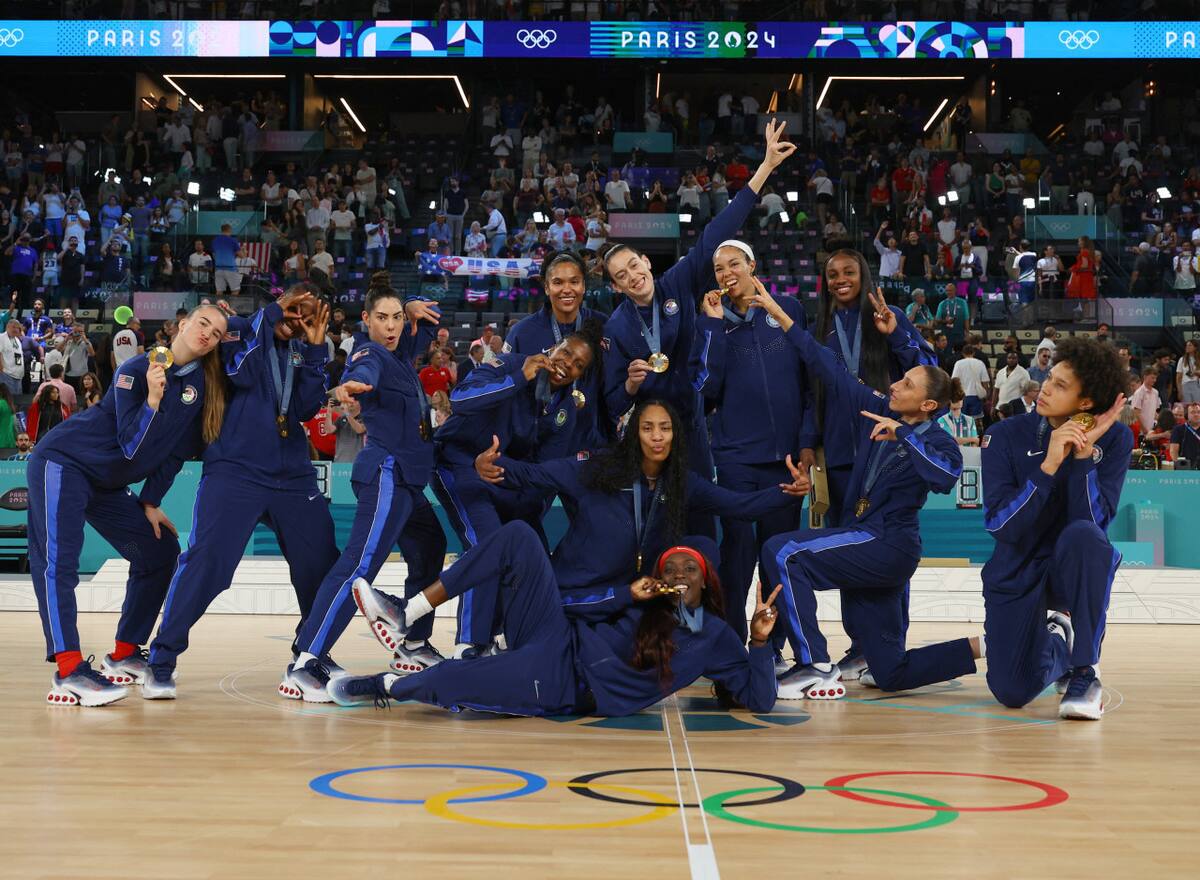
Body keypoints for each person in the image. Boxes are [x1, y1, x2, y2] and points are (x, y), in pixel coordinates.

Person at [751, 285, 979, 698]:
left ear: (928, 405)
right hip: (874, 546)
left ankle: (815, 665)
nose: (895, 385)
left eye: (907, 384)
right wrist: (778, 313)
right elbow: (828, 367)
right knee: (890, 671)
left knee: (782, 551)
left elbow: (944, 478)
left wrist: (905, 435)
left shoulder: (937, 440)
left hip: (888, 542)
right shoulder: (876, 409)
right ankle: (986, 647)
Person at [332, 524, 782, 717]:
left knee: (452, 677)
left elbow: (759, 700)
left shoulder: (716, 635)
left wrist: (760, 643)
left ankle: (384, 686)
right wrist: (626, 594)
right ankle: (408, 611)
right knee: (518, 537)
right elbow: (568, 605)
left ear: (706, 580)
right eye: (670, 567)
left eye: (690, 569)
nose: (678, 576)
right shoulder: (642, 598)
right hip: (554, 634)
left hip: (566, 683)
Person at [471, 398, 810, 644]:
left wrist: (788, 493)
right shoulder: (597, 468)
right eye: (648, 428)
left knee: (702, 547)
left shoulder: (680, 481)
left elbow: (739, 505)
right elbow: (537, 475)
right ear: (635, 434)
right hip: (577, 592)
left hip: (628, 595)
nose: (657, 437)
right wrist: (493, 465)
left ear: (676, 435)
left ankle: (687, 636)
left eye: (665, 429)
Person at [601, 119, 797, 539]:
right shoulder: (617, 327)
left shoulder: (677, 283)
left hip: (690, 427)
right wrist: (633, 386)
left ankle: (705, 603)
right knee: (652, 527)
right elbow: (613, 401)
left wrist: (762, 169)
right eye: (622, 275)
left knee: (704, 525)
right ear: (616, 286)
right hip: (651, 431)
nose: (633, 276)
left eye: (635, 265)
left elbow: (717, 232)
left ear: (646, 263)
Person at [26, 304, 227, 706]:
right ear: (182, 325)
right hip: (64, 463)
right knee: (58, 562)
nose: (208, 334)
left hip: (107, 485)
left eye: (218, 333)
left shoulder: (199, 389)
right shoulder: (135, 370)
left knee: (158, 550)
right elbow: (130, 444)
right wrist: (152, 400)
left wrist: (151, 501)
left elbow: (174, 455)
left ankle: (125, 653)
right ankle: (68, 670)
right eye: (203, 323)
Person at [144, 291, 341, 698]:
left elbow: (305, 407)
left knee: (320, 564)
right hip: (236, 471)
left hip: (293, 475)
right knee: (209, 564)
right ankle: (161, 658)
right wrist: (268, 319)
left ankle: (310, 653)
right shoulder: (236, 331)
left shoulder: (302, 350)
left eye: (305, 316)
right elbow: (242, 373)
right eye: (292, 310)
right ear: (280, 304)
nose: (296, 320)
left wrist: (318, 348)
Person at [285, 288, 447, 699]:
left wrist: (411, 302)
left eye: (396, 317)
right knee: (358, 565)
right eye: (383, 318)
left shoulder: (399, 354)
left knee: (431, 544)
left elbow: (430, 316)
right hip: (386, 473)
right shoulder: (370, 354)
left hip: (409, 479)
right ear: (366, 319)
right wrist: (348, 388)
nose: (391, 326)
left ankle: (412, 644)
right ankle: (305, 661)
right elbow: (361, 375)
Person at [980, 338, 1131, 720]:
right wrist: (1047, 466)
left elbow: (1095, 525)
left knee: (1086, 538)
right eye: (1049, 378)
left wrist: (1082, 457)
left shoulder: (1115, 439)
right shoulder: (1004, 435)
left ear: (1085, 403)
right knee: (1012, 691)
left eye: (1061, 385)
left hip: (1070, 564)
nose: (1045, 387)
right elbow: (1001, 526)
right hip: (1017, 566)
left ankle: (1085, 671)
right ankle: (1058, 646)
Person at [432, 322, 603, 656]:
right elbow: (461, 399)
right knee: (487, 543)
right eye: (566, 352)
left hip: (500, 479)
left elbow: (542, 471)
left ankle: (517, 638)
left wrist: (523, 506)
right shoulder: (510, 364)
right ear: (554, 348)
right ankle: (470, 644)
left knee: (532, 551)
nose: (568, 363)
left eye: (579, 364)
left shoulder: (565, 408)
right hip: (456, 464)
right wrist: (518, 379)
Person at [689, 244, 814, 648]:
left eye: (734, 264)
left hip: (787, 461)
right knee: (738, 554)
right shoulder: (711, 322)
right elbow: (705, 388)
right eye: (718, 268)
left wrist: (808, 444)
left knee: (776, 557)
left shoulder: (787, 309)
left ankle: (772, 645)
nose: (726, 273)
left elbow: (810, 382)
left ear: (752, 265)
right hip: (736, 458)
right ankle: (728, 643)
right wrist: (709, 327)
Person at [812, 251, 937, 531]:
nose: (841, 280)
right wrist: (809, 442)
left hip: (886, 448)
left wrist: (894, 334)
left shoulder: (891, 316)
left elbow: (927, 370)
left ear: (863, 277)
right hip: (839, 452)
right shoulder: (820, 329)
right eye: (833, 275)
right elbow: (812, 395)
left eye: (849, 272)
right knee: (840, 537)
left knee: (887, 533)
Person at [506, 251, 610, 454]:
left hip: (589, 447)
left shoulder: (604, 327)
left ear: (584, 286)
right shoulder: (522, 333)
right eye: (558, 282)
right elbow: (508, 392)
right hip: (536, 449)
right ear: (546, 287)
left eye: (574, 281)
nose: (567, 289)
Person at [952, 344, 991, 421]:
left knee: (962, 421)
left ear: (963, 353)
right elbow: (985, 382)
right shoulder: (980, 363)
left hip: (962, 396)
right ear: (974, 353)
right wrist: (986, 396)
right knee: (976, 422)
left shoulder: (958, 363)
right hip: (976, 396)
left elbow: (954, 380)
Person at [935, 282, 970, 348]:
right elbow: (937, 320)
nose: (948, 292)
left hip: (959, 333)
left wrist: (967, 333)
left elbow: (966, 319)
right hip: (946, 334)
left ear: (955, 290)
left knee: (959, 353)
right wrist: (945, 321)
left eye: (950, 290)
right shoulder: (942, 304)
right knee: (947, 354)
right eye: (947, 291)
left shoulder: (963, 302)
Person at [1129, 368, 1162, 433]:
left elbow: (1154, 412)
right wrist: (1144, 430)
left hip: (1151, 430)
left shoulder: (1156, 392)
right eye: (1152, 378)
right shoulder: (1139, 393)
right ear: (1145, 377)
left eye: (1155, 378)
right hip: (1141, 431)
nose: (1154, 380)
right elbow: (1136, 413)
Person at [1178, 339, 1199, 404]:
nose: (1187, 347)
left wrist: (1197, 373)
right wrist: (1179, 391)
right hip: (1185, 385)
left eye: (1190, 345)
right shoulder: (1182, 359)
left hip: (1197, 384)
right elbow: (1178, 377)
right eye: (1186, 345)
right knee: (1187, 407)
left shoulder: (1199, 359)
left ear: (1195, 347)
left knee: (1197, 407)